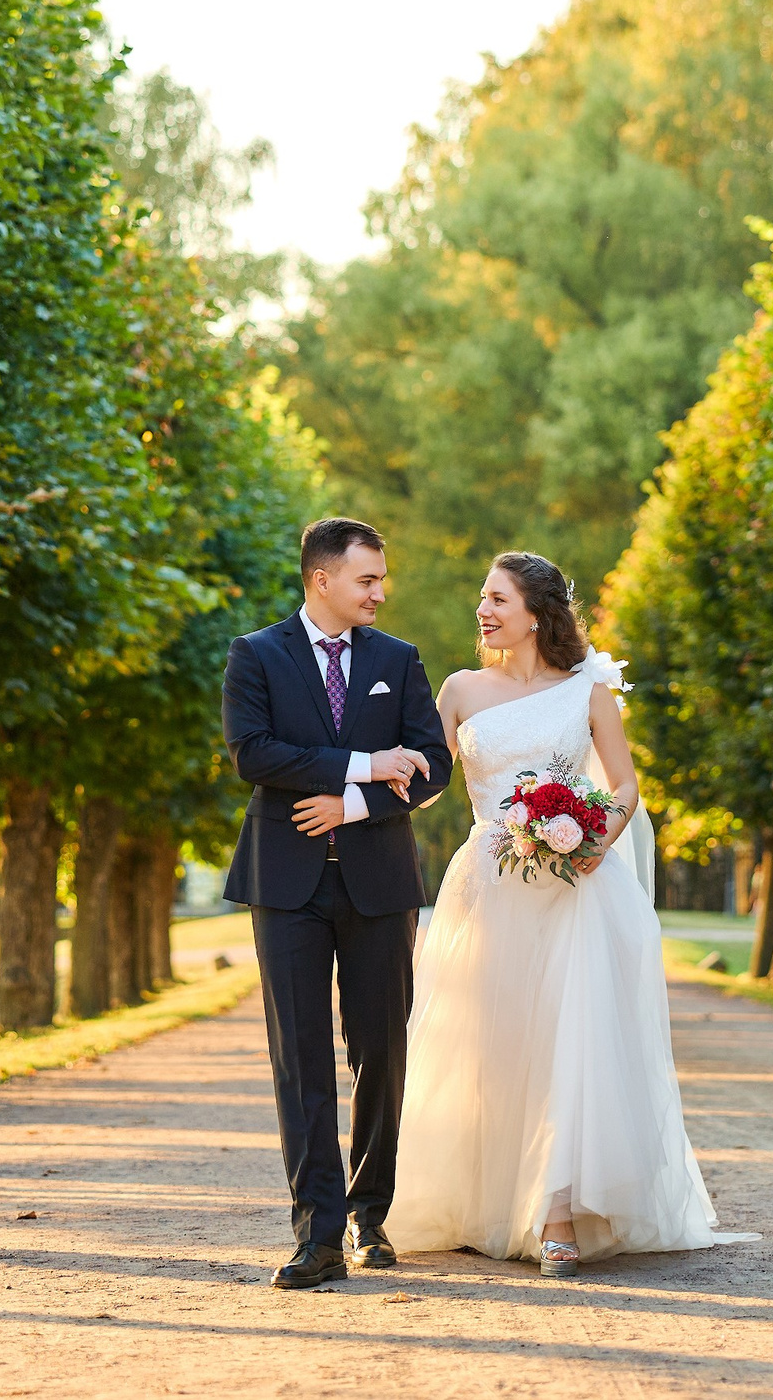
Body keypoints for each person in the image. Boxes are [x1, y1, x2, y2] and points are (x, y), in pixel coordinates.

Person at [395, 550, 754, 1276]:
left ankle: (557, 1212)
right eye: (483, 599)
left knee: (567, 1040)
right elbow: (426, 781)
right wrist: (360, 782)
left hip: (574, 888)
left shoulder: (589, 689)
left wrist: (594, 837)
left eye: (497, 599)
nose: (484, 611)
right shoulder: (460, 688)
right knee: (495, 1046)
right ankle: (489, 1198)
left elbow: (624, 786)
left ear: (536, 611)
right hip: (489, 889)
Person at [222, 517, 451, 1289]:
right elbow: (252, 752)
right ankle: (316, 1235)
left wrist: (352, 804)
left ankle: (370, 1215)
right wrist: (364, 763)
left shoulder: (399, 660)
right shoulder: (254, 654)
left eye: (382, 579)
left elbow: (432, 765)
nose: (380, 592)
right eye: (367, 579)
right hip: (283, 885)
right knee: (301, 1062)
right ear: (322, 578)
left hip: (379, 881)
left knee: (381, 1051)